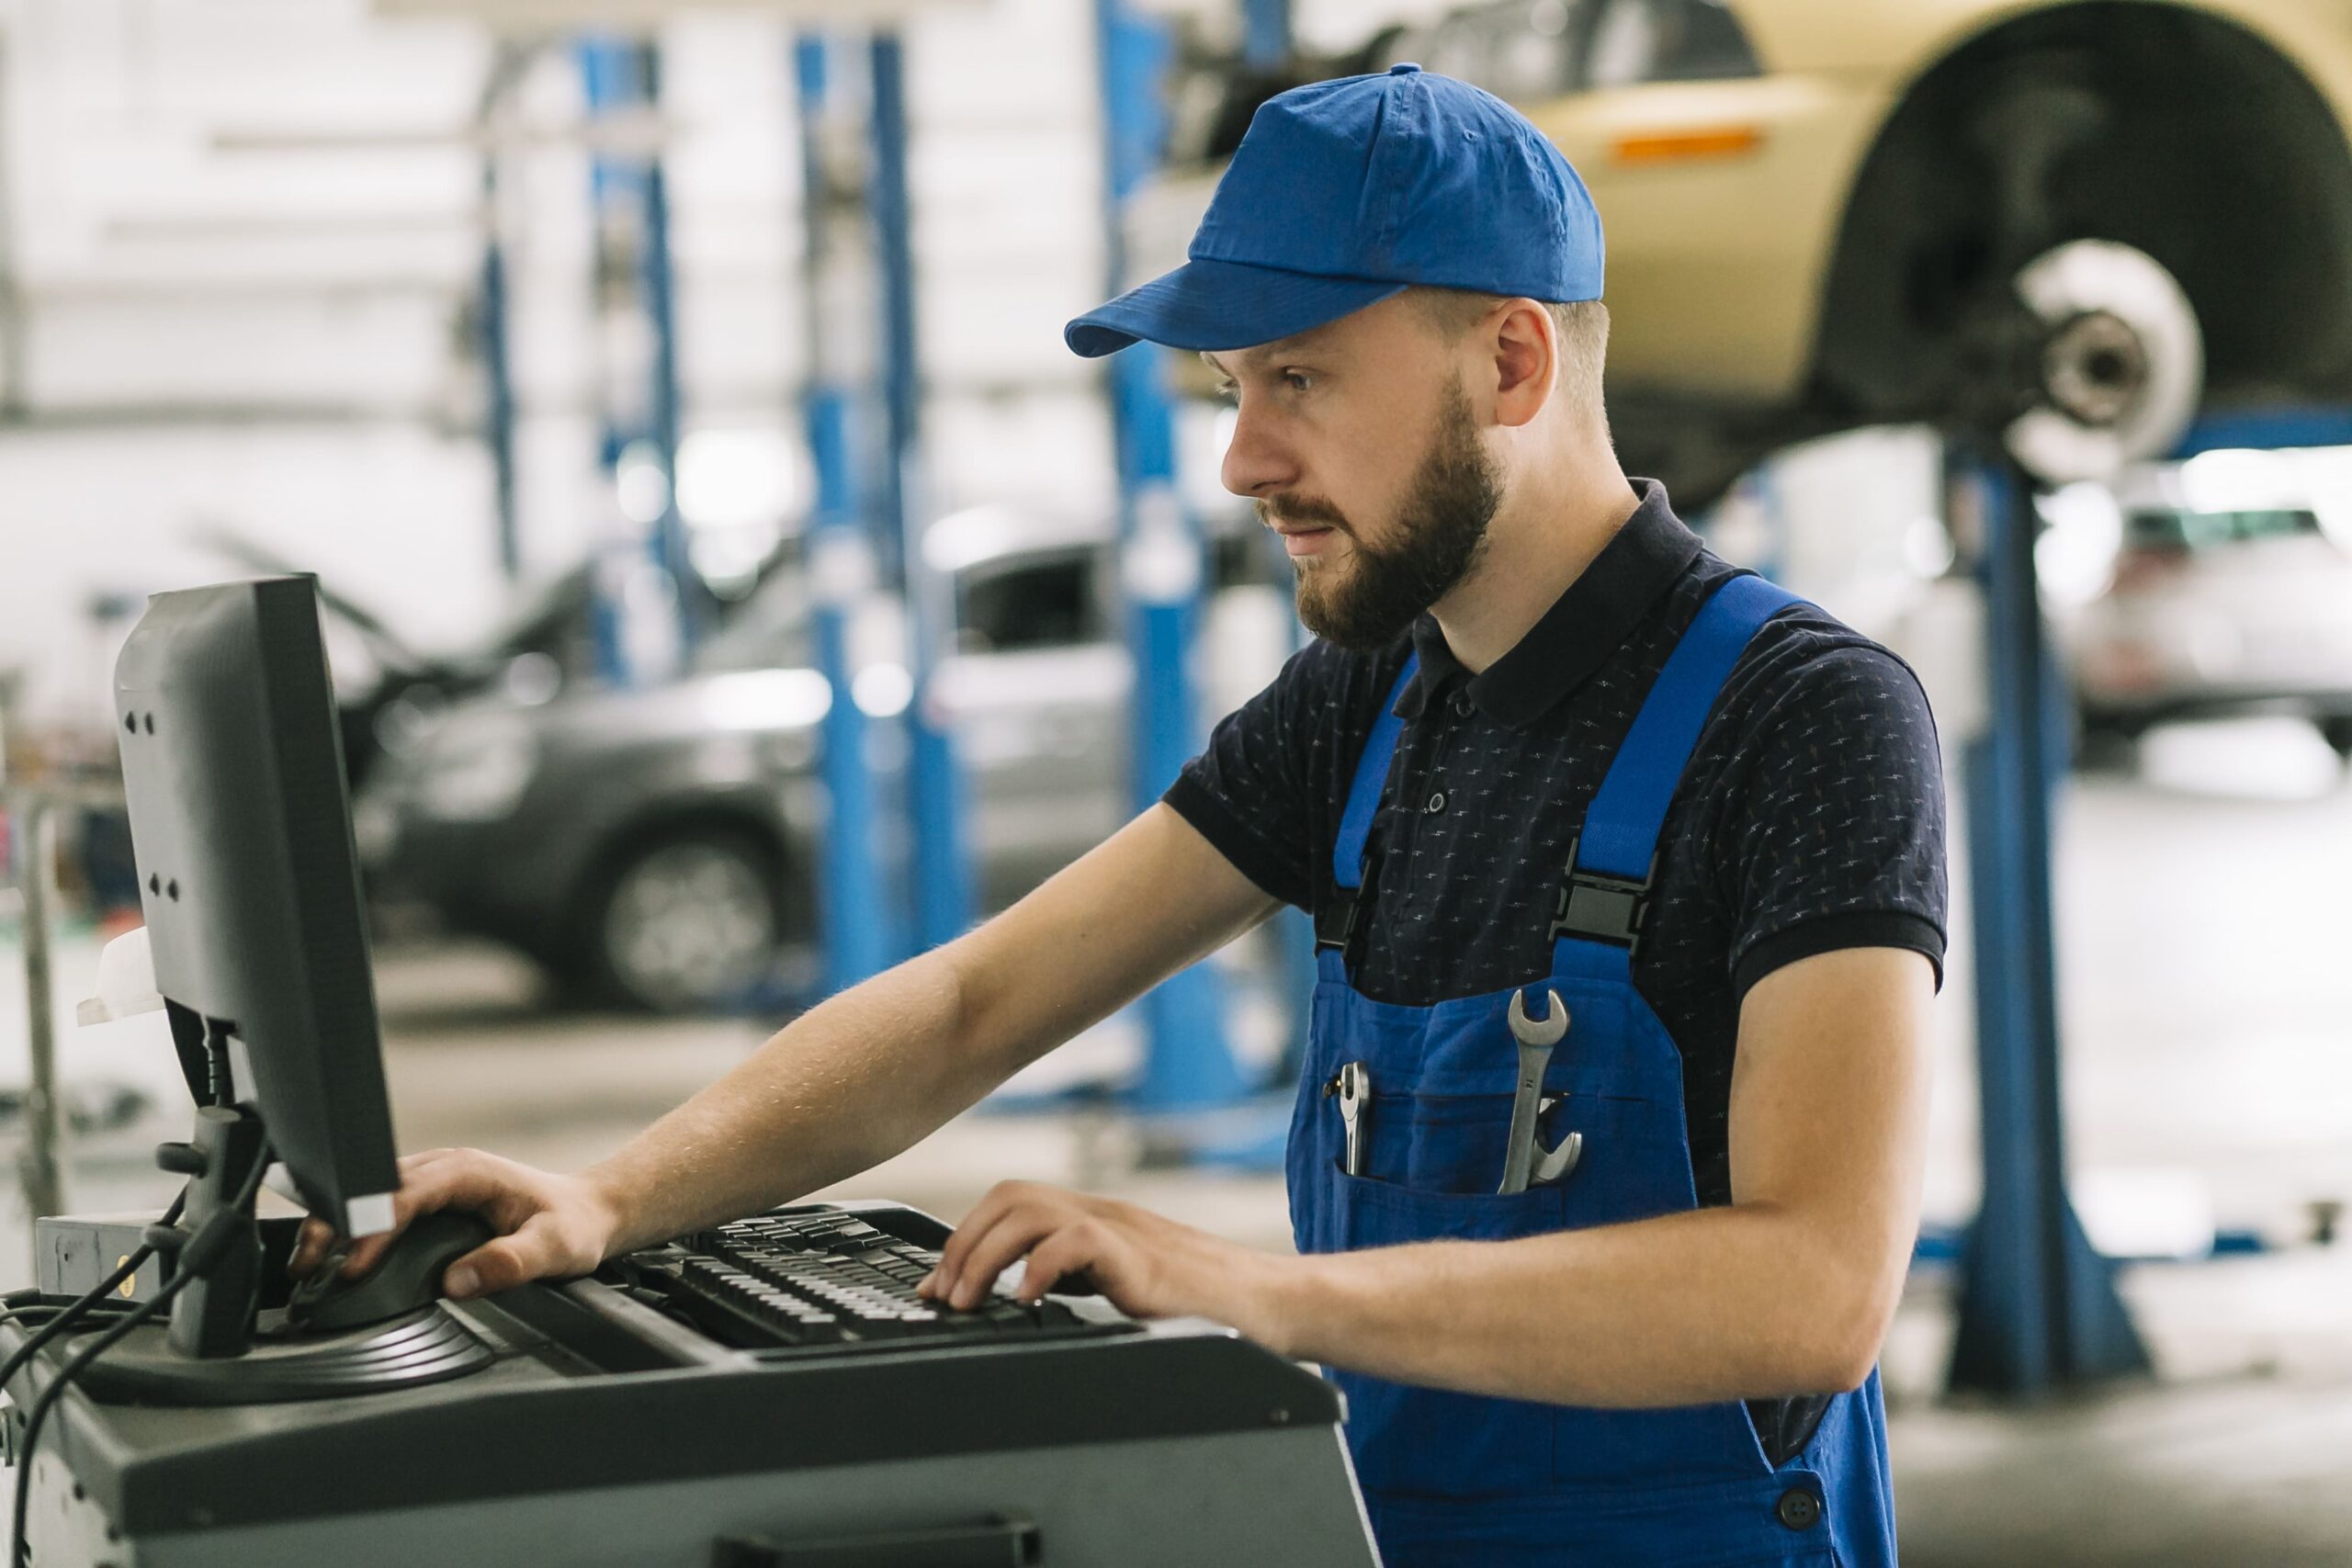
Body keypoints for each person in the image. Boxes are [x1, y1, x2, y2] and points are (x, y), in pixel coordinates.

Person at [297, 66, 1945, 1565]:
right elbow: (974, 1002)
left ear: (1511, 360)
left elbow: (1813, 1289)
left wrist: (1257, 1292)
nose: (1243, 460)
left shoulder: (1802, 716)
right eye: (1234, 386)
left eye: (1298, 377)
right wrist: (611, 1199)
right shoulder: (1369, 705)